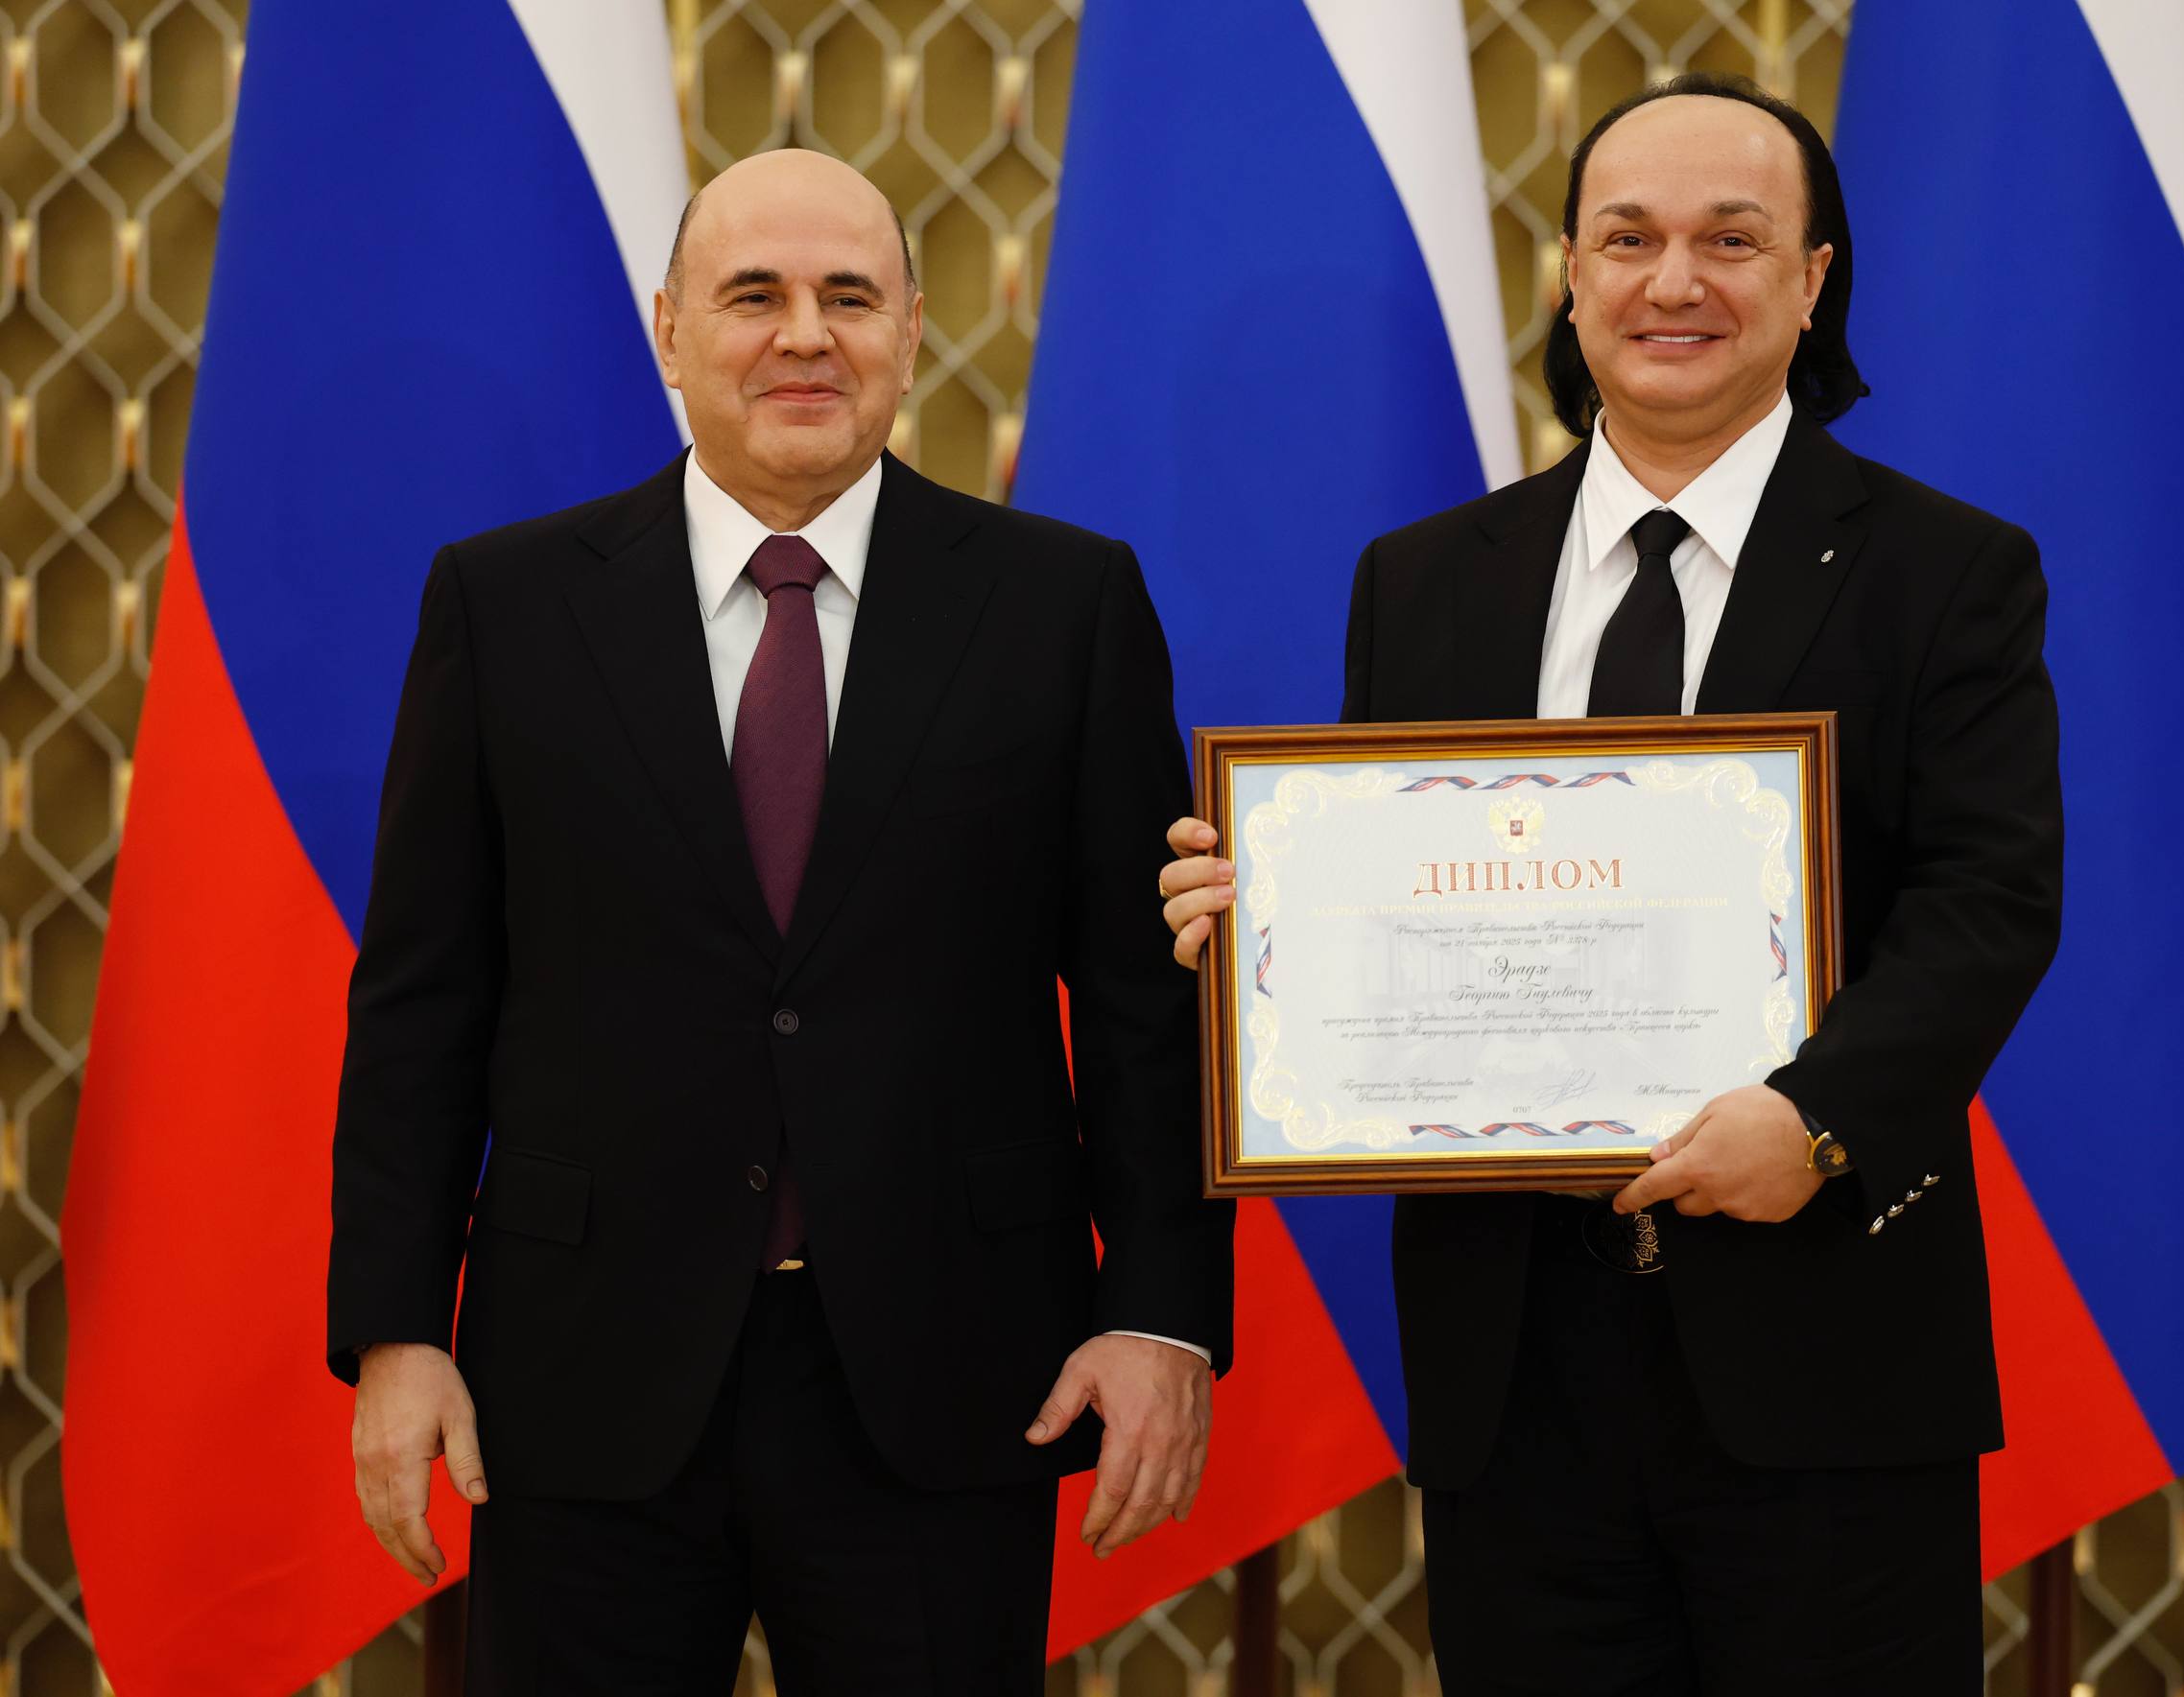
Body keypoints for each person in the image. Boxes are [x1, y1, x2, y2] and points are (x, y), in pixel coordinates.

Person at [1158, 73, 2059, 1695]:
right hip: (1516, 1374)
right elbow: (1389, 904)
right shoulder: (1424, 580)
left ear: (1814, 279)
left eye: (1733, 239)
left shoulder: (1947, 570)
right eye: (1628, 239)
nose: (1673, 281)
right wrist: (1255, 918)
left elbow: (1989, 900)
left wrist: (1819, 1118)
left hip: (1825, 1349)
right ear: (1571, 277)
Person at [327, 149, 1231, 1695]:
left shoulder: (1063, 605)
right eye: (755, 295)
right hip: (585, 1373)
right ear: (671, 330)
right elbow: (425, 998)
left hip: (949, 1373)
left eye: (849, 297)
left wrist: (1161, 1311)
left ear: (914, 330)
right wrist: (396, 1326)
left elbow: (1146, 1008)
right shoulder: (506, 603)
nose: (805, 335)